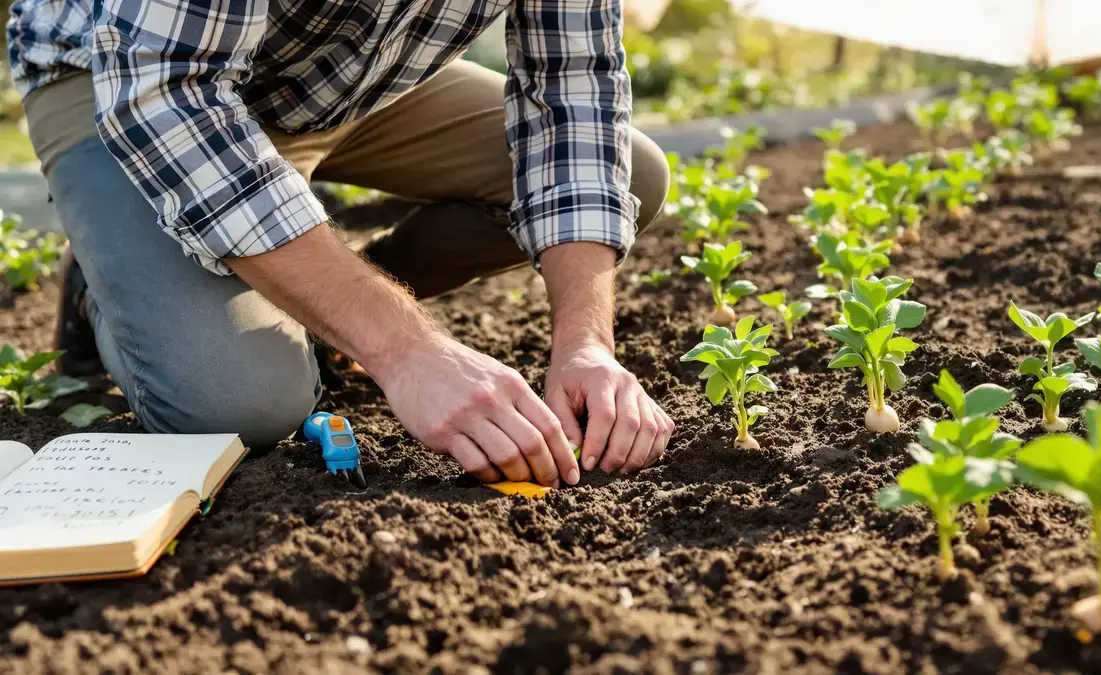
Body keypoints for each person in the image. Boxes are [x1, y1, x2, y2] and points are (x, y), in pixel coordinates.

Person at [7, 0, 675, 488]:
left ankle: (305, 301)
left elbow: (573, 92)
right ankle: (109, 279)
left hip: (343, 87)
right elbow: (167, 90)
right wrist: (406, 350)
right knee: (242, 407)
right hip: (122, 83)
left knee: (635, 175)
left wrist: (586, 344)